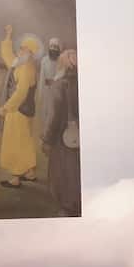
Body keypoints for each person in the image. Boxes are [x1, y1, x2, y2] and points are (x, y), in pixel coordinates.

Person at [0, 26, 39, 188]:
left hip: (19, 110)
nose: (20, 51)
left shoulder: (26, 68)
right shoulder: (22, 63)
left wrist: (6, 108)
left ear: (30, 53)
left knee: (16, 142)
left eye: (23, 49)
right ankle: (30, 173)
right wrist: (8, 36)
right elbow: (8, 57)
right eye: (20, 48)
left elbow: (21, 93)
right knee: (25, 141)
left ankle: (15, 178)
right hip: (23, 110)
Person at [43, 48, 80, 216]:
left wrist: (47, 140)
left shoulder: (58, 85)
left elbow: (53, 117)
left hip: (63, 138)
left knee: (63, 173)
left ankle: (67, 208)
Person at [37, 37, 64, 136]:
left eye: (55, 47)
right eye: (51, 46)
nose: (53, 49)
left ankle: (54, 135)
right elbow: (41, 77)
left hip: (57, 90)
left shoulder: (62, 60)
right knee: (45, 112)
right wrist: (40, 93)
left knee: (55, 112)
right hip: (46, 90)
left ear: (59, 49)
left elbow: (62, 74)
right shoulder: (44, 60)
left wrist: (56, 82)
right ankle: (45, 133)